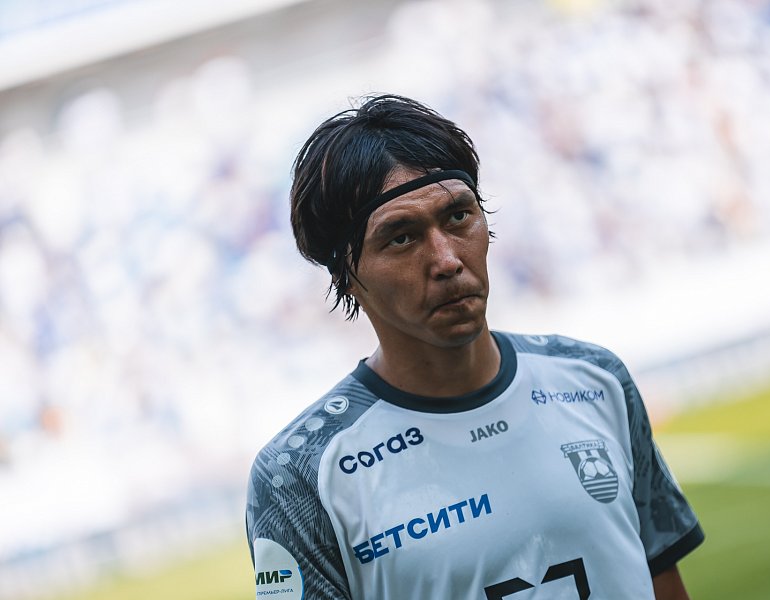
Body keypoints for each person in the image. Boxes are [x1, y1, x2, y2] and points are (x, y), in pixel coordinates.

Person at [245, 94, 704, 599]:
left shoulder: (595, 378)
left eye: (459, 216)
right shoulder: (302, 473)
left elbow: (664, 583)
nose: (446, 259)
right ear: (346, 276)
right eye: (401, 238)